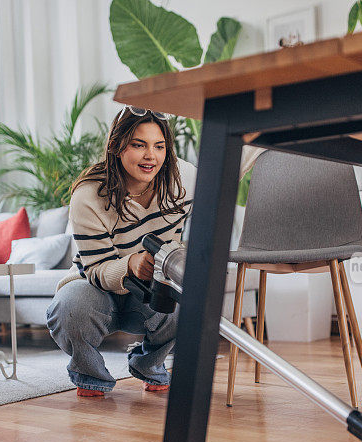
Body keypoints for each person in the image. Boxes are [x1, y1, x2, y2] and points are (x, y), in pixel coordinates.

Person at [47, 104, 263, 397]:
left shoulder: (181, 179)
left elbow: (225, 175)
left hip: (152, 288)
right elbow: (96, 268)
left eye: (159, 146)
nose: (151, 155)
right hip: (94, 286)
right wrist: (131, 264)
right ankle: (89, 373)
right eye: (139, 145)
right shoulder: (89, 195)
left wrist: (251, 135)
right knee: (68, 308)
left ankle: (150, 364)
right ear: (117, 146)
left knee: (189, 303)